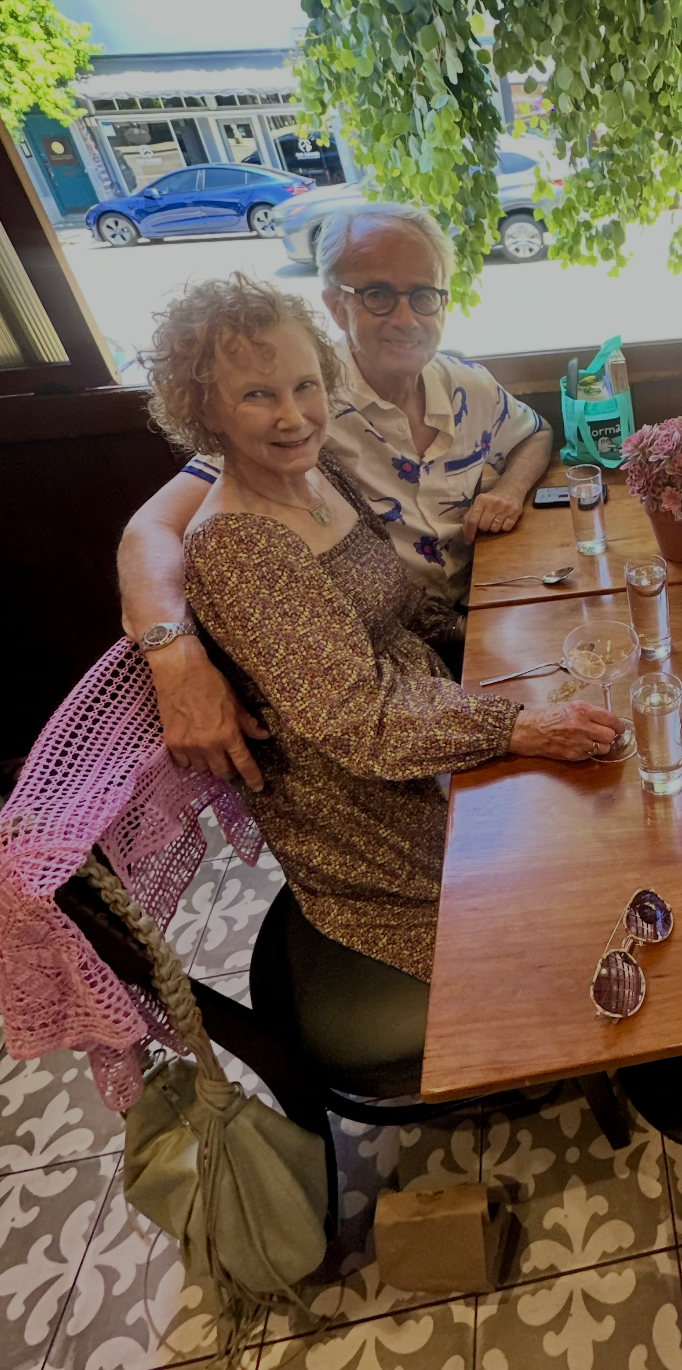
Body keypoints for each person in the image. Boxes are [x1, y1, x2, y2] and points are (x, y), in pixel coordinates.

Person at [144, 275, 619, 980]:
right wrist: (513, 727)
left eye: (305, 386)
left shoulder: (320, 470)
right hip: (367, 809)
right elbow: (358, 722)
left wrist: (511, 629)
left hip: (421, 724)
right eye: (256, 395)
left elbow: (395, 609)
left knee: (603, 791)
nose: (293, 416)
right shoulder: (239, 543)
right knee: (570, 892)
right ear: (204, 409)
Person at [119, 201, 554, 792]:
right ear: (335, 302)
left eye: (424, 294)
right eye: (378, 293)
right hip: (393, 718)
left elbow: (535, 434)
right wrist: (173, 656)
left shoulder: (460, 383)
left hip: (457, 639)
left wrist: (507, 488)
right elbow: (151, 531)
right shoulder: (299, 417)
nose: (406, 316)